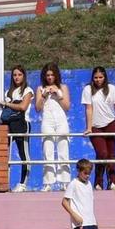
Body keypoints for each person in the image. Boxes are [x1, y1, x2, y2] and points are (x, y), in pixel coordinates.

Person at [82, 66, 115, 188]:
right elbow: (88, 109)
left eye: (101, 77)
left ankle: (113, 182)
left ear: (105, 77)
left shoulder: (111, 88)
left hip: (111, 123)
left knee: (111, 154)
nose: (98, 80)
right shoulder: (88, 89)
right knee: (102, 153)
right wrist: (89, 127)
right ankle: (98, 182)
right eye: (96, 77)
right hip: (95, 126)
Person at [34, 64, 72, 192]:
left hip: (61, 121)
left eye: (52, 75)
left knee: (63, 150)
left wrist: (58, 94)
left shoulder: (63, 87)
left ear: (56, 75)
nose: (50, 77)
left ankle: (65, 182)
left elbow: (67, 107)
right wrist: (44, 96)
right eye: (48, 75)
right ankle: (48, 183)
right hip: (47, 121)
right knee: (47, 151)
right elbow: (38, 108)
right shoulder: (40, 88)